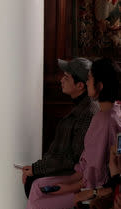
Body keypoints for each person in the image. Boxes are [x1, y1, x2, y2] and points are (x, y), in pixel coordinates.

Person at [24, 57, 121, 209]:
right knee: (37, 190)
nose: (87, 81)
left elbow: (94, 174)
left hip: (92, 191)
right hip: (86, 183)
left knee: (39, 207)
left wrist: (67, 188)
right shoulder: (108, 114)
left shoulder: (105, 120)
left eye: (90, 78)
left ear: (99, 85)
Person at [22, 58, 99, 197]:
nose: (61, 80)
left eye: (66, 77)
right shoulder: (80, 109)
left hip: (72, 176)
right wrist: (35, 168)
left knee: (34, 183)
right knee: (31, 179)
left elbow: (72, 158)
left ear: (80, 85)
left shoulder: (88, 113)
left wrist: (37, 169)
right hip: (63, 172)